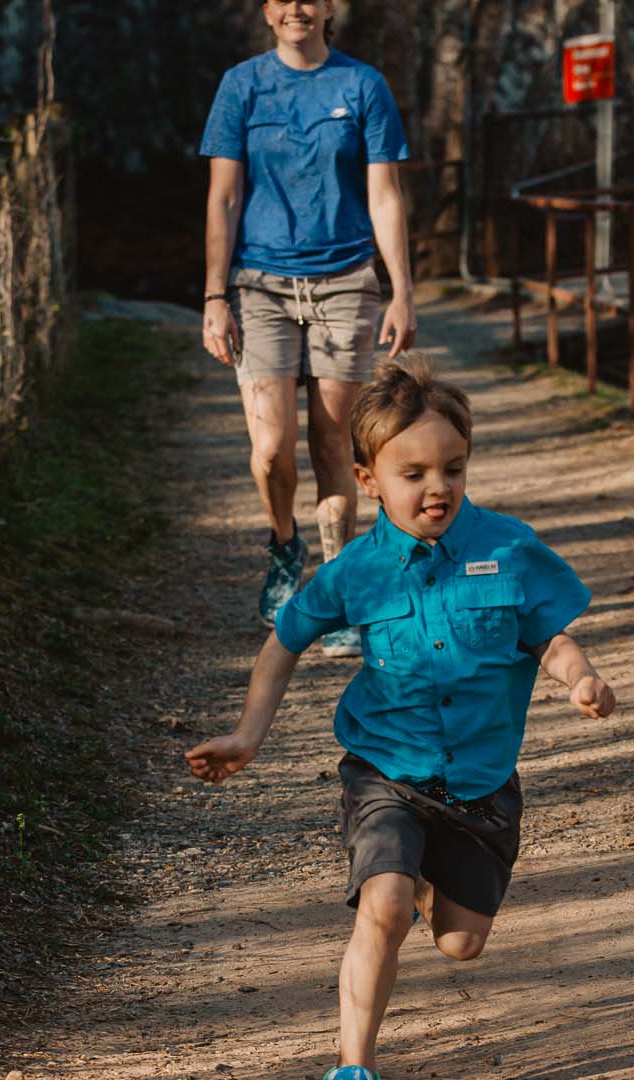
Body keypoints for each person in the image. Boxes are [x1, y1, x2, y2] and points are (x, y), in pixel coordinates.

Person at [183, 358, 617, 1080]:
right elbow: (285, 640)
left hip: (481, 784)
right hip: (385, 770)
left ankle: (419, 877)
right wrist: (249, 735)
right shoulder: (358, 569)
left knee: (458, 942)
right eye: (413, 472)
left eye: (452, 468)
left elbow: (550, 636)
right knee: (381, 907)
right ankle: (352, 1071)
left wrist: (578, 676)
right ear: (368, 478)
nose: (437, 487)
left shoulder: (508, 549)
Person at [200, 0, 418, 654]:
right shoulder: (242, 85)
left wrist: (402, 290)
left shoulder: (362, 85)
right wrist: (215, 294)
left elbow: (384, 196)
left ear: (329, 10)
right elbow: (224, 196)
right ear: (268, 11)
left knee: (333, 445)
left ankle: (338, 589)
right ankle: (283, 546)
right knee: (270, 450)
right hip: (259, 285)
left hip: (346, 284)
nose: (297, 6)